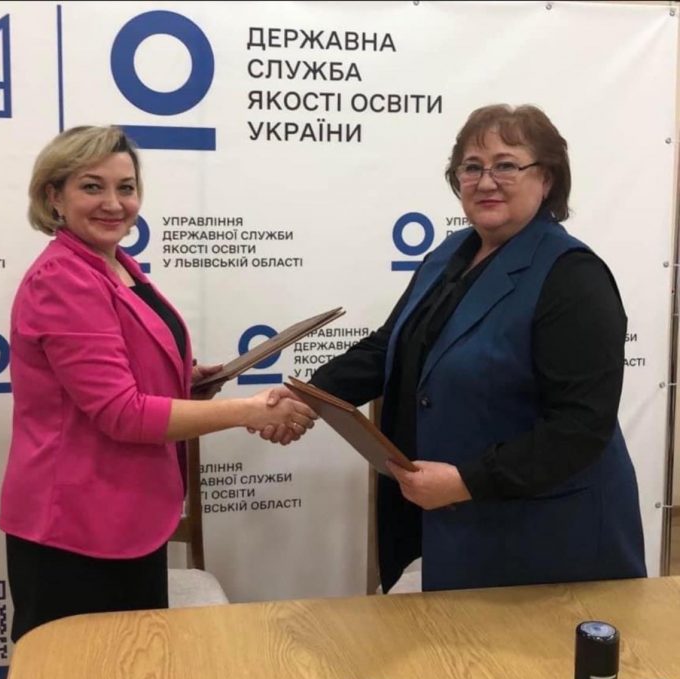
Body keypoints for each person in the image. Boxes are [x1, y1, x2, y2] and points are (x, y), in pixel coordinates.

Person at [264, 103, 647, 593]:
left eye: (506, 165)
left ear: (547, 178)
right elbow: (390, 347)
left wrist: (466, 482)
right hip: (465, 529)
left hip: (549, 538)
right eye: (472, 167)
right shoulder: (450, 253)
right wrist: (310, 396)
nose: (486, 182)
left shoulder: (573, 276)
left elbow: (581, 426)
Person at [0, 125, 317, 642]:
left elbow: (113, 369)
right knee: (85, 676)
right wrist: (249, 411)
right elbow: (122, 412)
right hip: (75, 529)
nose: (113, 203)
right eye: (92, 186)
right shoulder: (63, 279)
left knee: (134, 669)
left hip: (124, 515)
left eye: (126, 187)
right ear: (54, 196)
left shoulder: (115, 265)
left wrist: (184, 379)